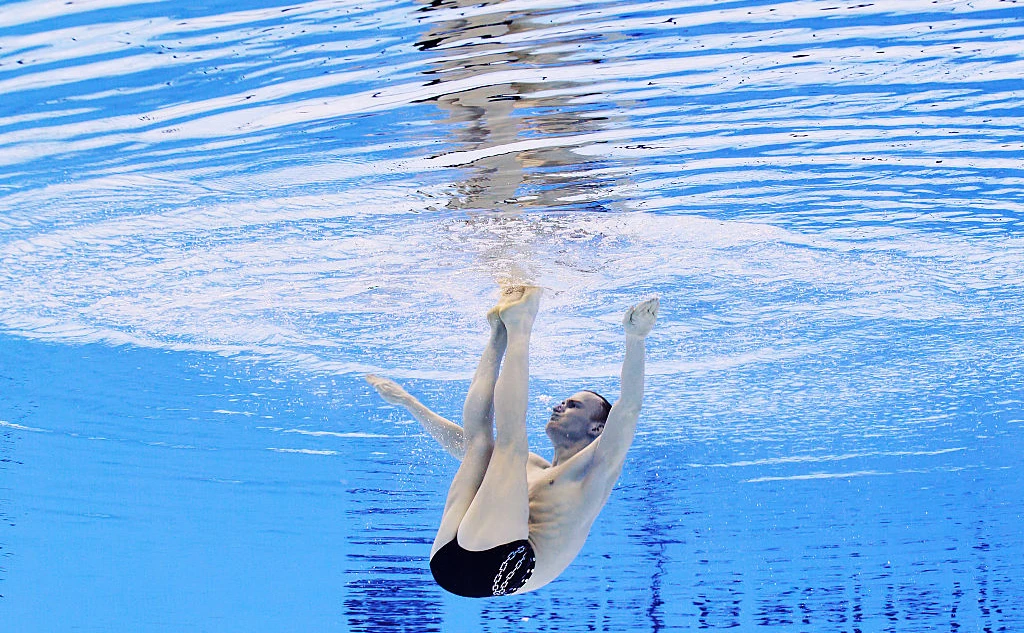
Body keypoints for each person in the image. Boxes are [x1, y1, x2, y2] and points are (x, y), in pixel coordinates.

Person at [366, 286, 658, 597]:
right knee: (479, 444)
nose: (559, 406)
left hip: (502, 566)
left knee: (510, 443)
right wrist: (410, 402)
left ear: (598, 429)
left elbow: (628, 408)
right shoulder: (531, 466)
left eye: (573, 405)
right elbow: (462, 443)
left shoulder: (594, 471)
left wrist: (635, 339)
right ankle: (498, 332)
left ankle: (521, 324)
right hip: (447, 562)